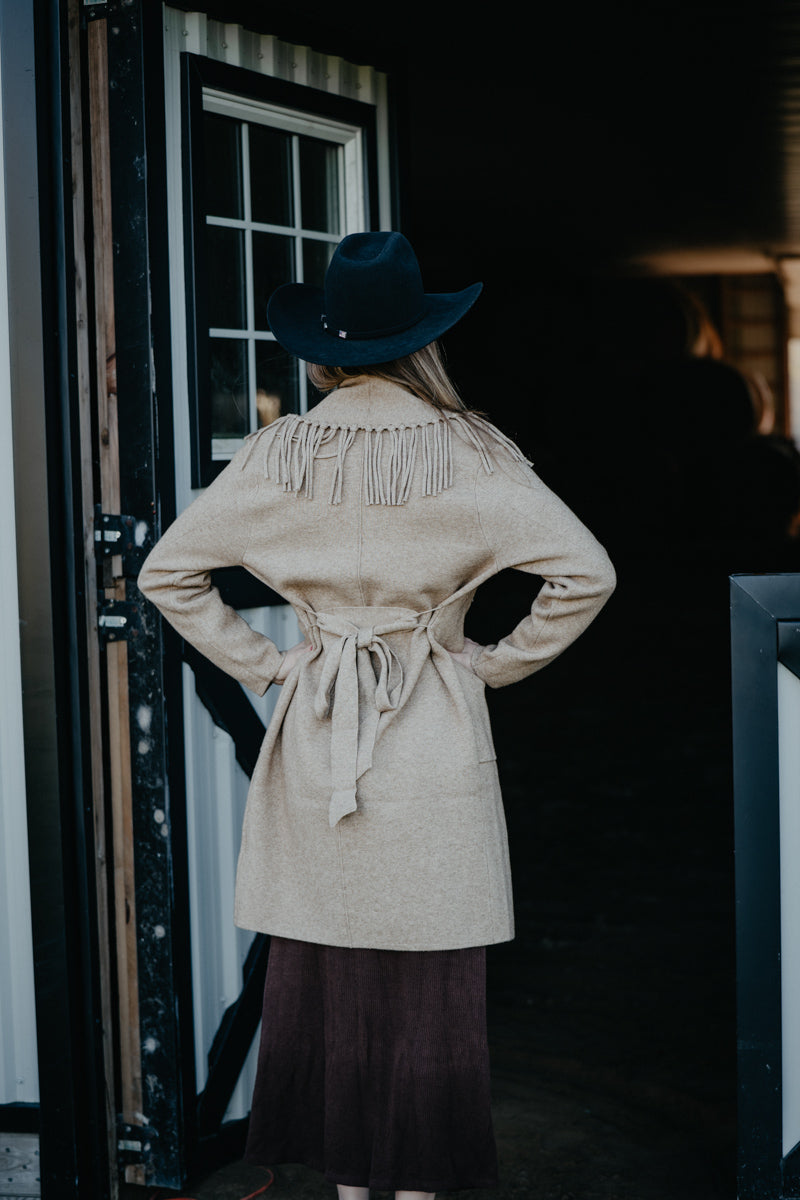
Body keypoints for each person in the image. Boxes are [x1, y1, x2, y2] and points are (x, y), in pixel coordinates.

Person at [137, 231, 616, 1199]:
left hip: (319, 727)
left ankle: (351, 1186)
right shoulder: (473, 451)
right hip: (429, 720)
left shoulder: (279, 452)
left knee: (328, 962)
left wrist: (268, 667)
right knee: (428, 969)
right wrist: (491, 663)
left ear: (323, 350)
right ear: (423, 339)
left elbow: (165, 571)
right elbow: (586, 571)